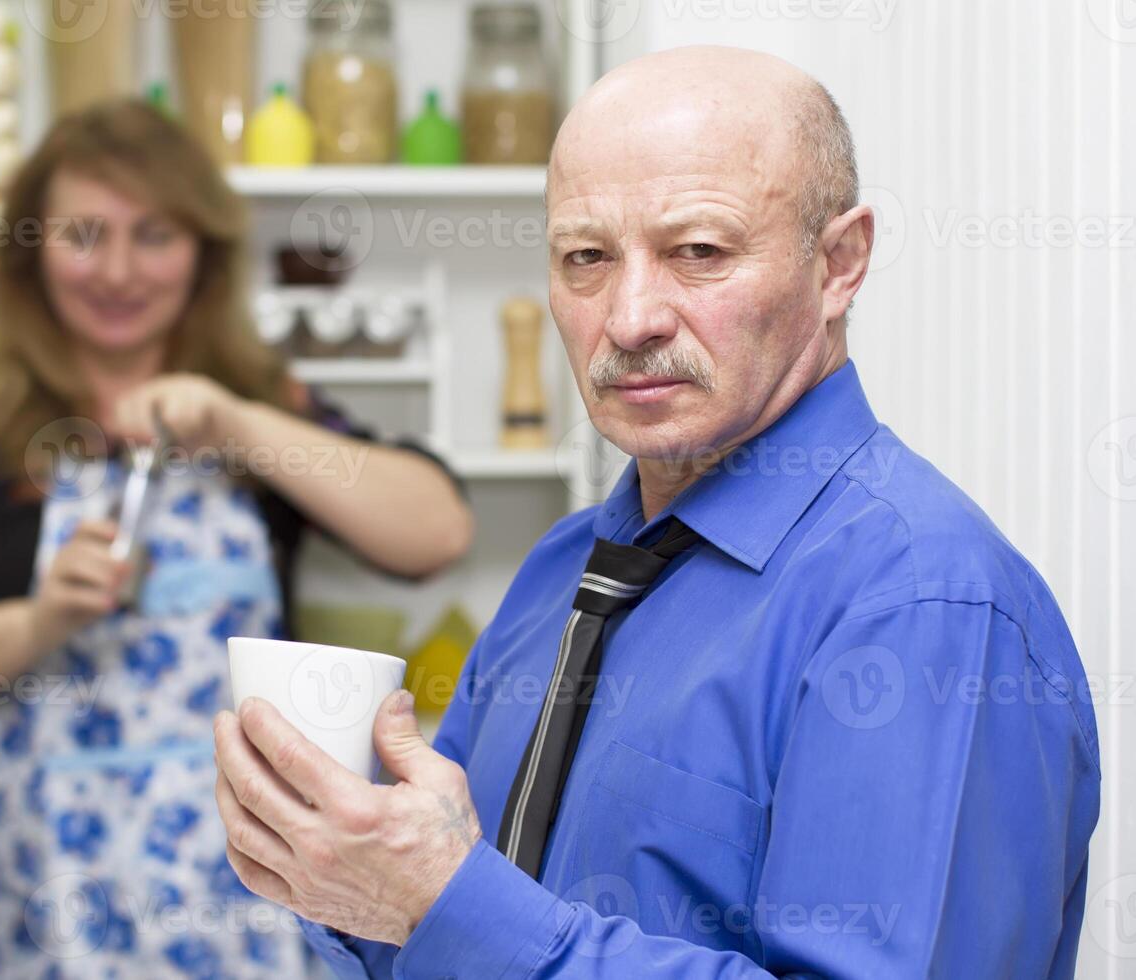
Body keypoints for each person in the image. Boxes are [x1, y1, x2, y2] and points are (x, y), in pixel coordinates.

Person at [211, 46, 1100, 977]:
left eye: (699, 252)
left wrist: (444, 901)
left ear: (840, 264)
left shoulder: (922, 605)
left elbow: (470, 915)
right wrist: (343, 883)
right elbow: (442, 929)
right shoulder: (562, 574)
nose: (630, 318)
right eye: (586, 258)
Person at [0, 99, 473, 978]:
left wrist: (236, 420)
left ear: (203, 252)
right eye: (84, 234)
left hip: (246, 893)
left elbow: (436, 529)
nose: (117, 271)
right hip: (30, 904)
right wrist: (34, 627)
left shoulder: (259, 412)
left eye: (153, 235)